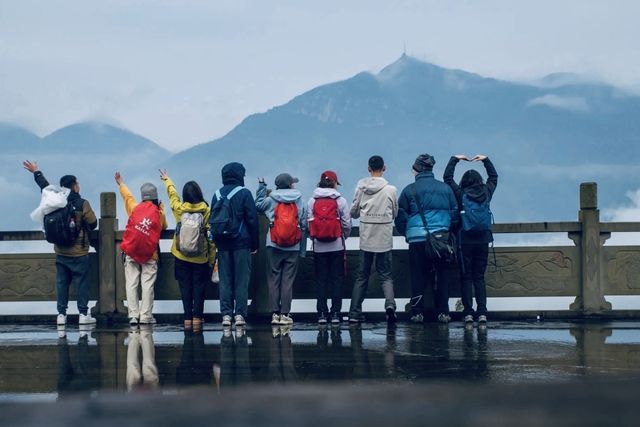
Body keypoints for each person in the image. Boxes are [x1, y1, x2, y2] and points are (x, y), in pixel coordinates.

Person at [23, 160, 98, 326]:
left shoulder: (55, 199)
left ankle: (61, 315)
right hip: (79, 252)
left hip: (61, 252)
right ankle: (83, 315)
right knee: (82, 284)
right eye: (77, 183)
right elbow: (93, 223)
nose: (79, 185)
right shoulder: (81, 203)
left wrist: (36, 172)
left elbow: (44, 187)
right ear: (74, 186)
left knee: (62, 284)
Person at [395, 154, 459, 323]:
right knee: (442, 275)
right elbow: (454, 214)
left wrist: (407, 233)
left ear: (417, 169)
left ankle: (417, 312)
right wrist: (447, 231)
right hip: (441, 239)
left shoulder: (409, 190)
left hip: (417, 240)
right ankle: (443, 312)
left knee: (418, 275)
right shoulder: (446, 189)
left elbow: (401, 216)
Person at [444, 154, 498, 324]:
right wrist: (486, 159)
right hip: (483, 239)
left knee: (466, 276)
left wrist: (454, 159)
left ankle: (468, 312)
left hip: (465, 240)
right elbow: (494, 177)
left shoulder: (461, 194)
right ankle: (482, 313)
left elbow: (448, 178)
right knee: (479, 277)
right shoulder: (487, 192)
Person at [160, 169, 216, 330]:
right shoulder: (207, 211)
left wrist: (167, 180)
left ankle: (187, 319)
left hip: (181, 256)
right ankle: (197, 318)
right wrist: (211, 260)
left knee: (185, 288)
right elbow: (211, 239)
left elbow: (173, 196)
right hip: (201, 258)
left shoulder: (179, 209)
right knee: (199, 288)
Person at [348, 155, 398, 323]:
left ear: (368, 168)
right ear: (384, 168)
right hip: (384, 235)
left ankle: (354, 313)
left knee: (362, 275)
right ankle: (390, 305)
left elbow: (353, 212)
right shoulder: (391, 189)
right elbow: (395, 213)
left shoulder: (362, 187)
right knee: (386, 275)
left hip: (366, 235)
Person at [209, 162, 259, 327]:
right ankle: (239, 315)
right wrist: (254, 243)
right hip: (241, 243)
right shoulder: (244, 193)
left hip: (222, 244)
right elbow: (252, 219)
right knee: (241, 281)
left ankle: (226, 315)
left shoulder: (216, 194)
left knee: (225, 280)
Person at [115, 172, 168, 325]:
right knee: (147, 285)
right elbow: (163, 226)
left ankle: (133, 315)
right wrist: (161, 209)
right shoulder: (158, 212)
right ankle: (145, 316)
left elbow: (128, 197)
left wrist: (121, 184)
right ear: (155, 197)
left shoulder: (135, 208)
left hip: (131, 250)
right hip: (150, 254)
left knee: (131, 284)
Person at [255, 173, 307, 326]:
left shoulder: (271, 199)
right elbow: (303, 224)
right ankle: (285, 314)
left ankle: (274, 314)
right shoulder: (299, 199)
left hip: (274, 244)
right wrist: (302, 249)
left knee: (273, 280)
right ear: (290, 185)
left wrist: (262, 187)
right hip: (293, 246)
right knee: (287, 281)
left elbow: (257, 205)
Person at [307, 170, 351, 324]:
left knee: (321, 279)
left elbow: (308, 222)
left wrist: (315, 237)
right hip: (337, 245)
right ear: (334, 183)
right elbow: (346, 223)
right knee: (337, 279)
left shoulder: (312, 200)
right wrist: (342, 236)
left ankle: (321, 313)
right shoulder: (341, 200)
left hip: (319, 246)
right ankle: (335, 313)